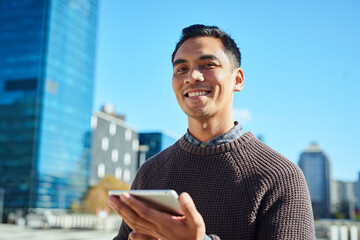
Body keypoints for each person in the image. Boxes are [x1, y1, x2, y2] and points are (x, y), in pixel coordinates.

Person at [109, 24, 315, 240]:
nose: (192, 76)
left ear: (238, 79)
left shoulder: (281, 177)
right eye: (181, 69)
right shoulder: (149, 173)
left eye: (208, 64)